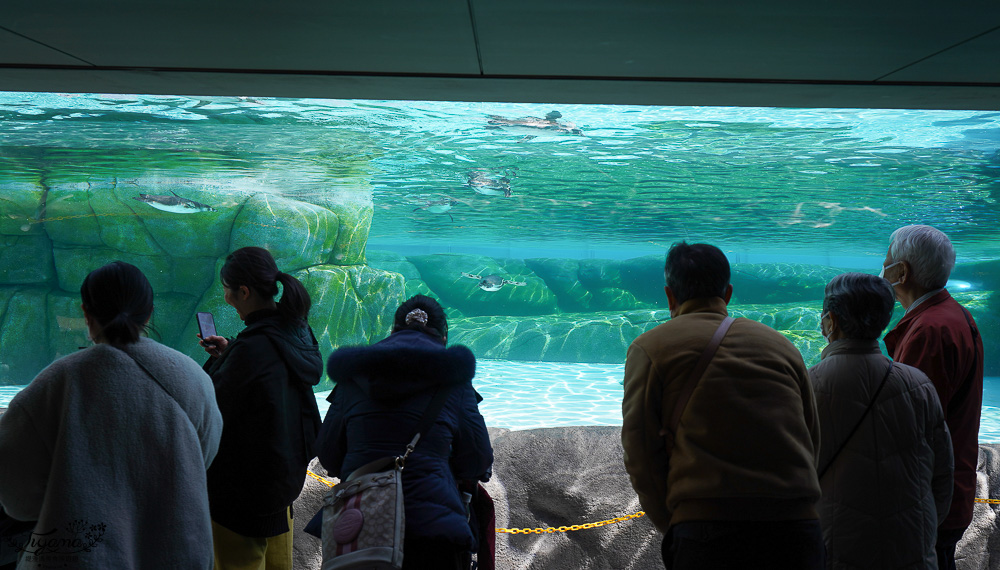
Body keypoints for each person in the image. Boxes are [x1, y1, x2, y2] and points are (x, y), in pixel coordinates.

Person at [0, 261, 223, 569]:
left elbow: (14, 489)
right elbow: (204, 457)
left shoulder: (56, 381)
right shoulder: (192, 377)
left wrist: (58, 501)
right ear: (149, 312)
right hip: (178, 550)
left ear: (86, 312)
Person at [622, 241, 823, 570]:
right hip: (796, 529)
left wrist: (676, 520)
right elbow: (812, 437)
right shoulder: (782, 346)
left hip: (707, 530)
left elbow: (640, 451)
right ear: (727, 293)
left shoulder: (650, 348)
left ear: (670, 295)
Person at [316, 294, 493, 570]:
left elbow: (328, 454)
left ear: (392, 331)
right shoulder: (455, 381)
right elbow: (477, 460)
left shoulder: (352, 376)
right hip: (434, 529)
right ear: (444, 336)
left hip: (361, 526)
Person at [810, 272, 953, 568]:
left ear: (831, 321)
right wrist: (921, 529)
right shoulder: (919, 384)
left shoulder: (807, 386)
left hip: (835, 546)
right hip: (911, 548)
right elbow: (942, 474)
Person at [199, 247, 323, 570]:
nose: (225, 298)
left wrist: (230, 360)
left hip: (241, 502)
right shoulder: (296, 332)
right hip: (280, 493)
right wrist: (231, 353)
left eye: (227, 290)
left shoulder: (253, 349)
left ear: (244, 292)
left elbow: (212, 407)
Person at [880, 225, 984, 570]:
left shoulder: (931, 330)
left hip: (931, 495)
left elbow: (910, 421)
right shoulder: (947, 315)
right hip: (945, 489)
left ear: (902, 272)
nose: (882, 266)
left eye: (887, 260)